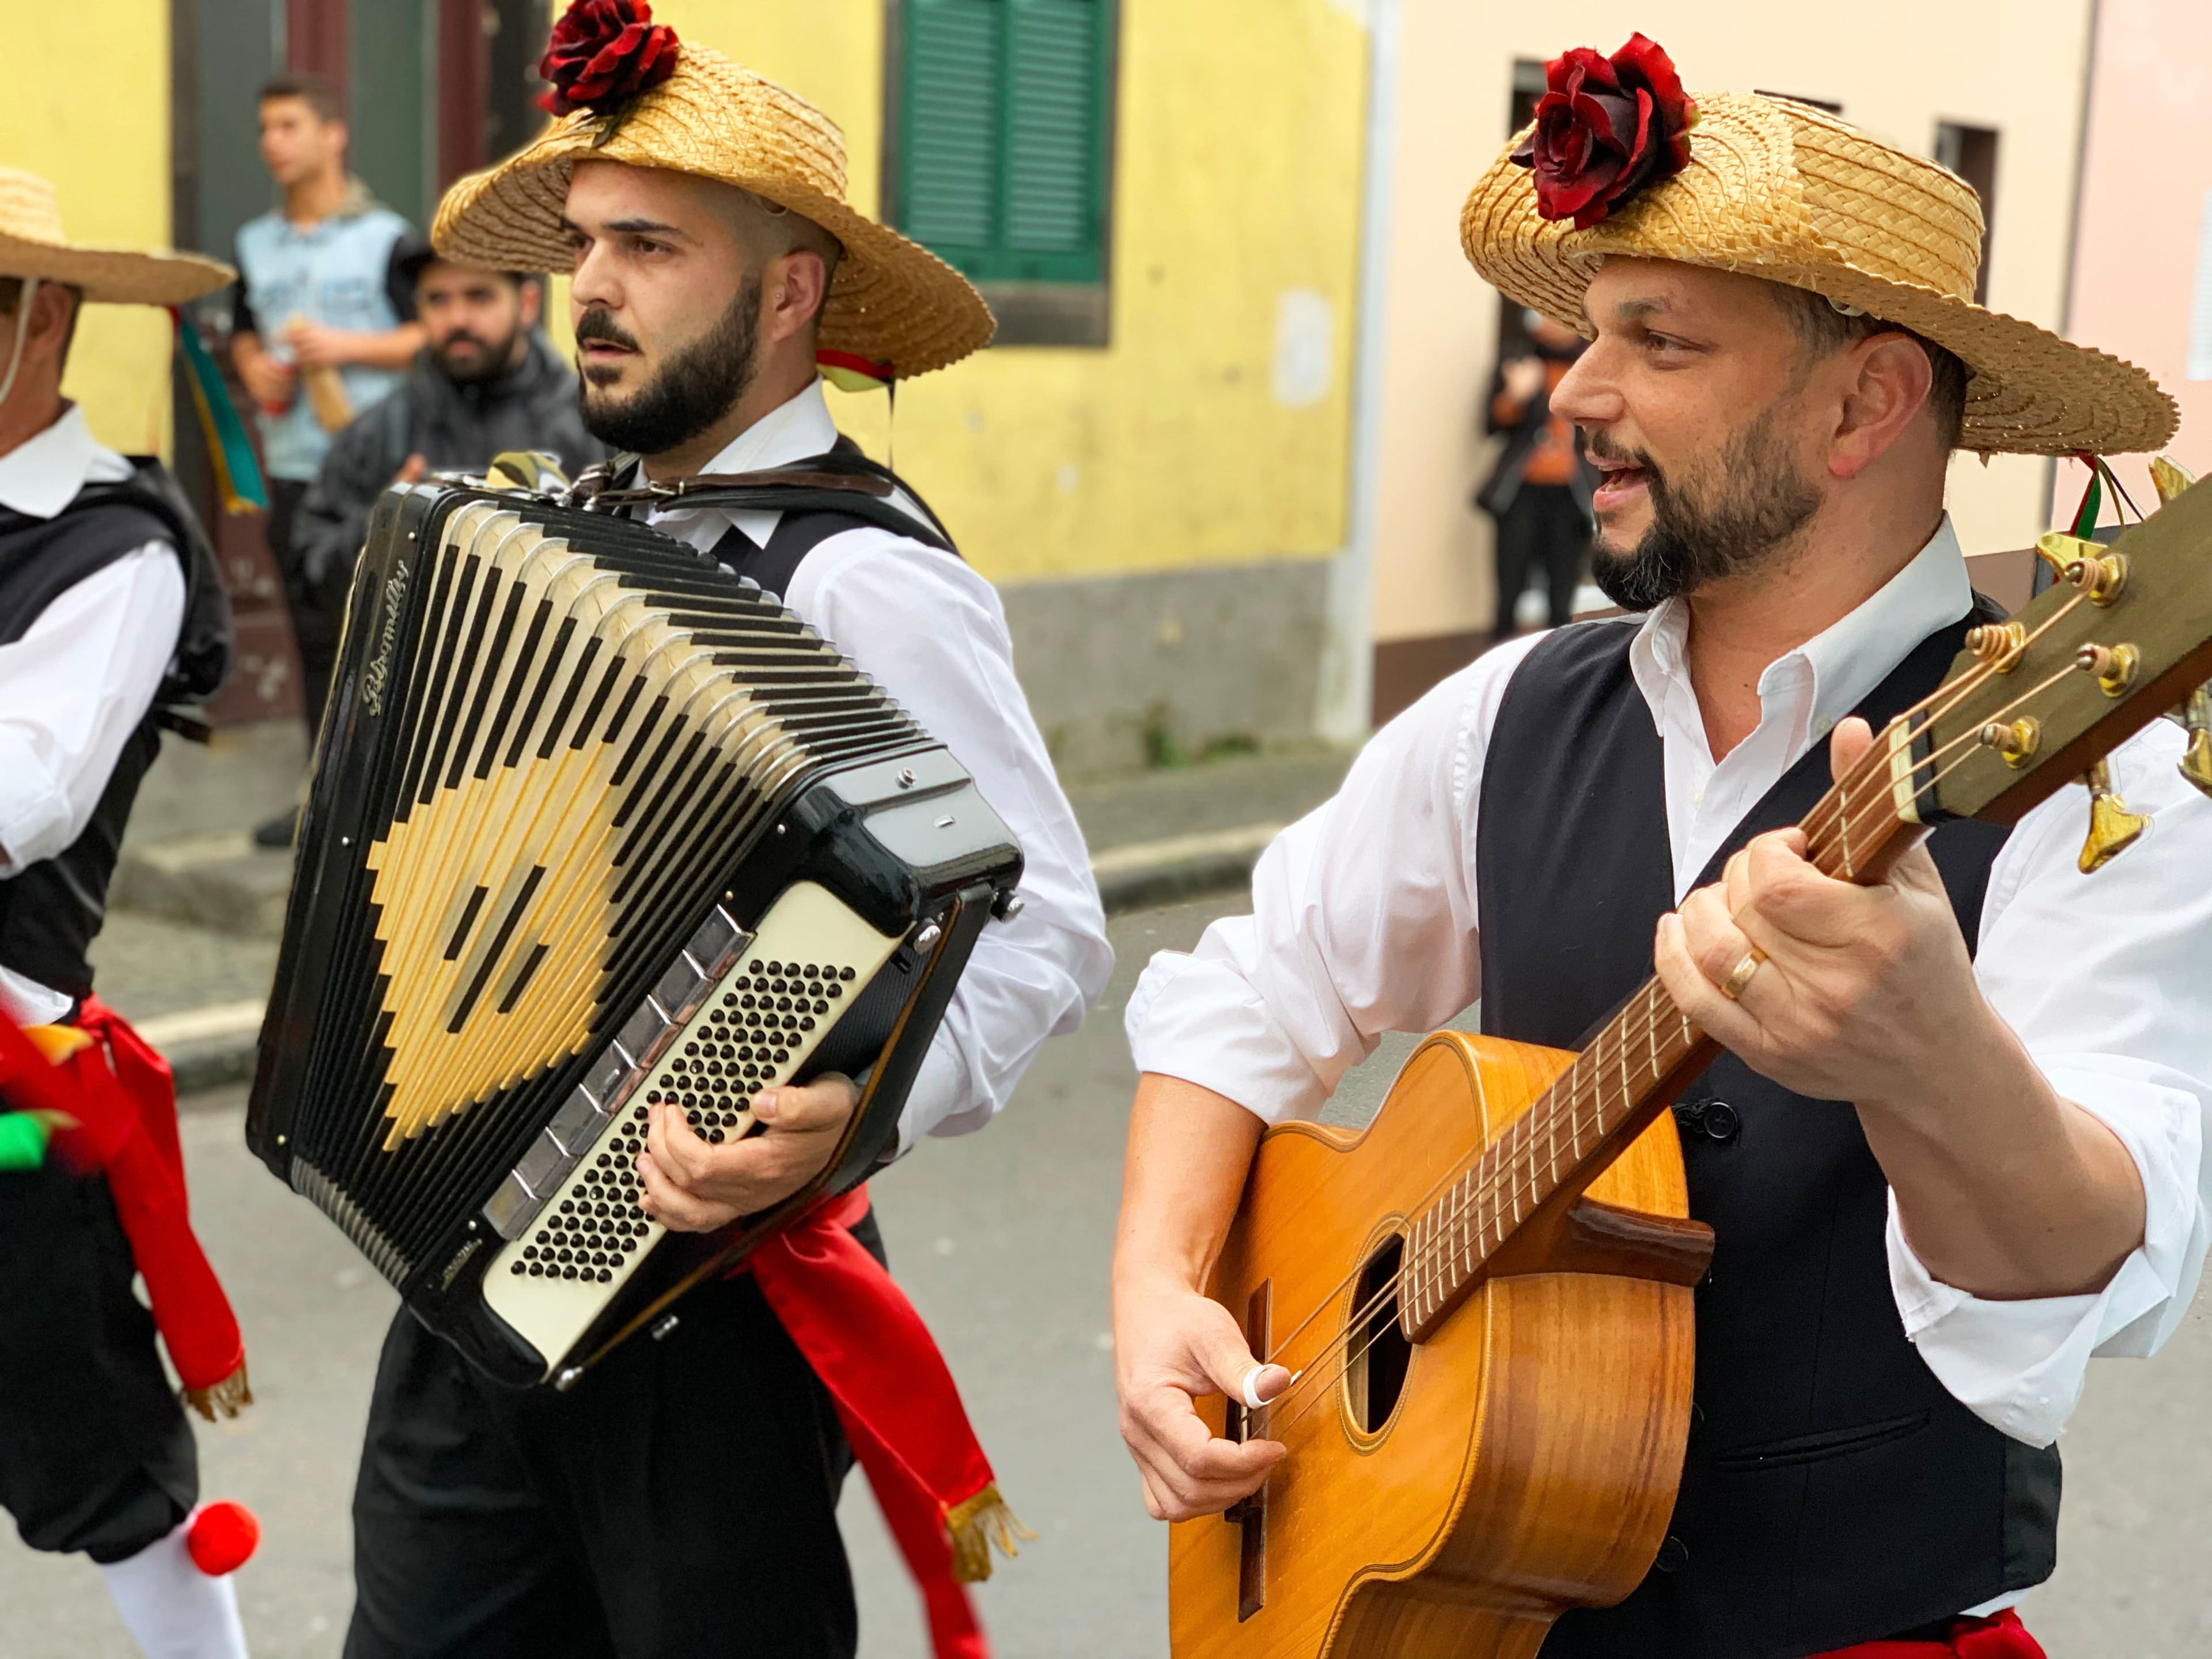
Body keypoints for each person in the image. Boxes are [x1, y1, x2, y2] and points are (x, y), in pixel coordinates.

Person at [1112, 47, 2210, 1659]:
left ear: (1868, 401)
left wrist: (1928, 1060)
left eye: (1659, 340)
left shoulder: (2098, 777)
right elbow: (1237, 998)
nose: (1577, 391)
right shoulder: (1509, 712)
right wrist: (1156, 1289)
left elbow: (2088, 1261)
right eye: (1587, 329)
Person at [339, 6, 1112, 1658]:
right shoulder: (564, 532)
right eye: (584, 247)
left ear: (786, 293)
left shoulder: (864, 585)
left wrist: (854, 1111)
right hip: (470, 1292)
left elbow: (1045, 926)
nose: (592, 288)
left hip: (715, 1318)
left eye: (650, 247)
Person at [0, 168, 250, 1658]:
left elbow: (21, 799)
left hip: (11, 1104)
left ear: (42, 320)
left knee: (96, 1452)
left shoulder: (118, 546)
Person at [228, 71, 424, 832]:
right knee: (311, 639)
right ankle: (322, 800)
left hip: (380, 473)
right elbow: (245, 328)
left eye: (289, 125)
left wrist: (345, 344)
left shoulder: (390, 240)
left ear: (333, 135)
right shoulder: (253, 244)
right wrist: (251, 363)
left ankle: (394, 807)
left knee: (392, 634)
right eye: (264, 129)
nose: (273, 142)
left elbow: (428, 339)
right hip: (292, 468)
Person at [290, 249, 600, 598]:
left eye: (479, 296)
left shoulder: (593, 423)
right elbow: (311, 572)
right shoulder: (376, 432)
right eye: (438, 300)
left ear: (527, 305)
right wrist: (385, 524)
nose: (457, 319)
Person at [1476, 308, 1595, 632]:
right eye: (1542, 313)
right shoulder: (1519, 358)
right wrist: (1514, 396)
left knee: (1562, 593)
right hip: (1521, 494)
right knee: (1510, 587)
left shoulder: (1589, 364)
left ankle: (1553, 668)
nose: (1548, 320)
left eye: (1556, 313)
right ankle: (1500, 664)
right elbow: (1489, 425)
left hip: (1570, 495)